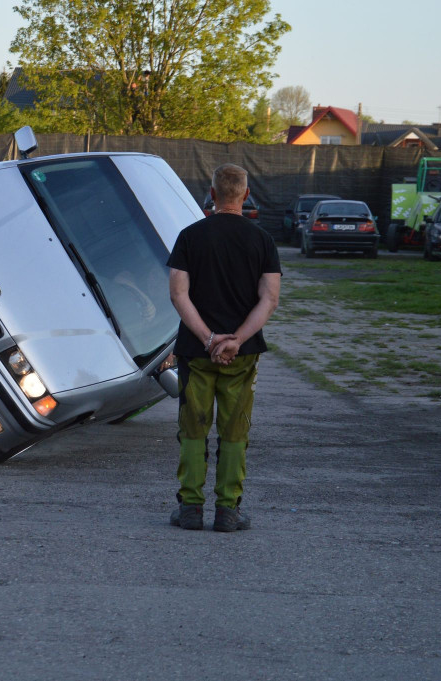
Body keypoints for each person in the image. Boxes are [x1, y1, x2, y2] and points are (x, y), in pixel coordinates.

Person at [166, 163, 281, 532]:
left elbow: (178, 294)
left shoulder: (189, 236)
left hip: (196, 353)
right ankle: (228, 512)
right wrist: (237, 339)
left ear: (211, 194)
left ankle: (191, 510)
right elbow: (270, 298)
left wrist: (208, 339)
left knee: (193, 428)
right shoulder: (262, 240)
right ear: (246, 195)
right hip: (242, 356)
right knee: (234, 431)